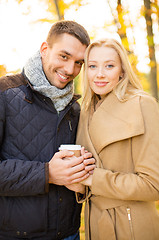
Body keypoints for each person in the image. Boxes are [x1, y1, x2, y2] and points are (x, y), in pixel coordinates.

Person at [0, 20, 96, 240]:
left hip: (69, 234)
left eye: (79, 63)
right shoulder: (4, 93)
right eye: (64, 56)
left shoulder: (74, 108)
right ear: (45, 49)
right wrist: (47, 173)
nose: (71, 70)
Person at [76, 38, 159, 240]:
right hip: (94, 223)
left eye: (109, 66)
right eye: (93, 66)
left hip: (131, 225)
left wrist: (91, 179)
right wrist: (79, 184)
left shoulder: (142, 105)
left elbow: (154, 185)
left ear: (122, 70)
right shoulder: (84, 111)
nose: (100, 74)